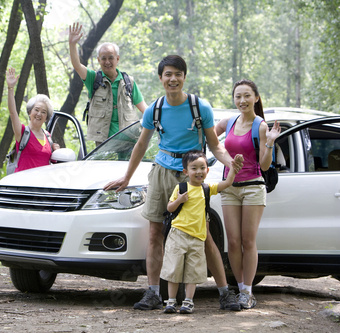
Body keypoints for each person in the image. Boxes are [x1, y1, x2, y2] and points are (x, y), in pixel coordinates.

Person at [104, 55, 243, 312]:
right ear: (161, 78)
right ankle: (153, 292)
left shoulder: (200, 108)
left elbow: (215, 145)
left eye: (178, 74)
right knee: (155, 234)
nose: (173, 79)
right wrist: (126, 177)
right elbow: (141, 144)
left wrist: (229, 162)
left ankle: (225, 293)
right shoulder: (154, 110)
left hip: (192, 177)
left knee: (202, 235)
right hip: (161, 173)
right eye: (168, 74)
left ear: (184, 77)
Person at [215, 79, 281, 309]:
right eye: (238, 96)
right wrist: (223, 156)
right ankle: (240, 287)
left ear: (256, 98)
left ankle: (248, 292)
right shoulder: (228, 121)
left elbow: (264, 166)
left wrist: (270, 142)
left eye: (246, 96)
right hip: (229, 187)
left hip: (253, 187)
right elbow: (212, 140)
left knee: (247, 240)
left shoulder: (261, 126)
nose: (242, 101)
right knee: (232, 242)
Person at [162, 150, 243, 314]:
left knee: (193, 270)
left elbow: (227, 183)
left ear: (207, 170)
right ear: (186, 172)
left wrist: (233, 169)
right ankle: (170, 301)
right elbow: (170, 208)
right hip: (178, 234)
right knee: (174, 268)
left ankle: (188, 301)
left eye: (202, 167)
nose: (198, 171)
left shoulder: (207, 188)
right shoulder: (181, 187)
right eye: (194, 168)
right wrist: (179, 200)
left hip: (198, 238)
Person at [68, 22, 148, 146]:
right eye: (103, 58)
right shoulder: (93, 79)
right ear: (98, 60)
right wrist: (72, 44)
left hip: (128, 140)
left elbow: (144, 109)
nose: (107, 62)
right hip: (103, 143)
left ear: (117, 59)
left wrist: (159, 120)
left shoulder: (128, 82)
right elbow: (77, 66)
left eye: (111, 58)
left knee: (127, 166)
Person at [6, 67, 59, 173]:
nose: (39, 114)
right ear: (30, 112)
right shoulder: (22, 133)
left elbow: (53, 162)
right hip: (23, 185)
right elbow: (13, 113)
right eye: (36, 110)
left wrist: (57, 152)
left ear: (46, 118)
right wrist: (10, 88)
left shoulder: (48, 137)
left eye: (43, 112)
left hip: (42, 186)